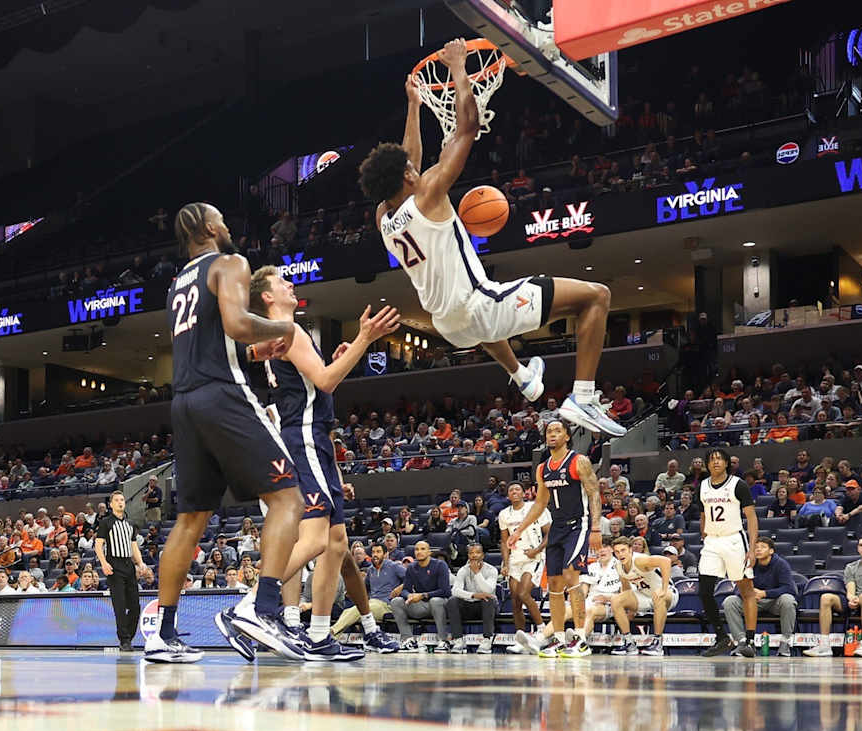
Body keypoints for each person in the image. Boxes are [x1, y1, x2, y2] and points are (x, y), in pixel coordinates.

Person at [360, 40, 623, 436]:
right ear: (406, 178)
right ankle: (582, 398)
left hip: (448, 325)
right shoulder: (429, 193)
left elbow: (408, 159)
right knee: (596, 296)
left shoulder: (384, 217)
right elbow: (467, 127)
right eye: (410, 169)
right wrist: (458, 68)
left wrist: (415, 106)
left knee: (486, 308)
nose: (416, 168)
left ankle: (521, 376)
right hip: (476, 308)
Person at [144, 203, 307, 664]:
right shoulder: (230, 263)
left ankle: (163, 632)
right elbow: (236, 323)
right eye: (226, 220)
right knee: (287, 498)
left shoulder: (178, 282)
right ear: (213, 228)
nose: (230, 226)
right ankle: (264, 609)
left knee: (190, 519)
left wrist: (253, 353)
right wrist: (283, 328)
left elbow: (214, 343)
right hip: (222, 396)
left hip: (185, 401)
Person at [229, 266, 401, 661]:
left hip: (312, 435)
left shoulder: (279, 334)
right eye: (281, 283)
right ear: (267, 297)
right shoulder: (286, 330)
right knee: (315, 539)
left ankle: (319, 633)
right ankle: (253, 605)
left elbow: (319, 381)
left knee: (336, 543)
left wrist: (344, 355)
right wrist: (364, 339)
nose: (291, 285)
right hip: (304, 435)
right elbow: (324, 382)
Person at [510, 421, 603, 657]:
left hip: (578, 525)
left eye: (557, 431)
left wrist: (595, 527)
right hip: (558, 528)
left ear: (567, 436)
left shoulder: (578, 461)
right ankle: (559, 639)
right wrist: (519, 530)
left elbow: (594, 493)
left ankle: (581, 638)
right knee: (554, 584)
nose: (552, 434)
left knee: (572, 575)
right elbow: (540, 504)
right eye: (549, 431)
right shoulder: (542, 469)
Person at [695, 448, 762, 657]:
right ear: (707, 465)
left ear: (726, 463)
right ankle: (722, 637)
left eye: (719, 459)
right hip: (712, 542)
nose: (715, 462)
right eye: (711, 460)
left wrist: (752, 548)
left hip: (734, 540)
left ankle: (750, 641)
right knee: (704, 591)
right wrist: (704, 535)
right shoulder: (703, 486)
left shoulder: (738, 485)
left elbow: (751, 517)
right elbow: (703, 514)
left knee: (746, 590)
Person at [804, 535, 862, 657]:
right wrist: (851, 598)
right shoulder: (851, 567)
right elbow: (850, 589)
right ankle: (824, 645)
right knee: (826, 597)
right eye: (861, 545)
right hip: (856, 599)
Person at [725, 537, 797, 656]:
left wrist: (765, 593)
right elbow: (737, 588)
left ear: (771, 551)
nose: (758, 550)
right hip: (753, 602)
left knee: (788, 600)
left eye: (762, 547)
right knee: (730, 601)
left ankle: (785, 643)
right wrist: (749, 593)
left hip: (774, 602)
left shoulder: (781, 564)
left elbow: (789, 588)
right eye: (756, 547)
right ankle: (743, 642)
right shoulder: (749, 564)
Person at [497, 482, 549, 644]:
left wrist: (537, 550)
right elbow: (504, 541)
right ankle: (521, 638)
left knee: (523, 593)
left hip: (533, 556)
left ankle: (543, 631)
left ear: (524, 493)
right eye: (511, 490)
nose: (514, 491)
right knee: (515, 601)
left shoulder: (536, 508)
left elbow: (550, 533)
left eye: (517, 489)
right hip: (515, 559)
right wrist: (505, 563)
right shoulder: (504, 514)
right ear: (508, 495)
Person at [608, 538, 676, 656]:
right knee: (616, 599)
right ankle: (629, 643)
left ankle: (657, 643)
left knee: (657, 596)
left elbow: (665, 561)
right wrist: (630, 608)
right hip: (645, 596)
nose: (620, 554)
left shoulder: (639, 560)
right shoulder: (618, 565)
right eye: (617, 552)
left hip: (668, 594)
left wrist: (664, 589)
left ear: (630, 550)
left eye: (623, 550)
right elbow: (626, 588)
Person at [96, 491, 146, 651]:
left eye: (122, 500)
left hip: (128, 566)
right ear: (111, 504)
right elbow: (98, 545)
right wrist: (103, 562)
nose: (120, 502)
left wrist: (141, 563)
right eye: (116, 500)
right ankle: (124, 640)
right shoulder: (105, 522)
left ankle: (128, 637)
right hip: (114, 565)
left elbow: (133, 546)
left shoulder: (130, 523)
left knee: (135, 606)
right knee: (120, 604)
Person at [446, 543, 499, 653]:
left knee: (488, 599)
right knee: (452, 601)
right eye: (471, 553)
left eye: (477, 552)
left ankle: (487, 640)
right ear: (468, 555)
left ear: (483, 555)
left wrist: (476, 573)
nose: (474, 555)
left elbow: (488, 590)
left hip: (487, 607)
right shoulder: (463, 570)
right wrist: (473, 595)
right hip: (469, 605)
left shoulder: (491, 570)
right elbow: (455, 591)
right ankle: (458, 640)